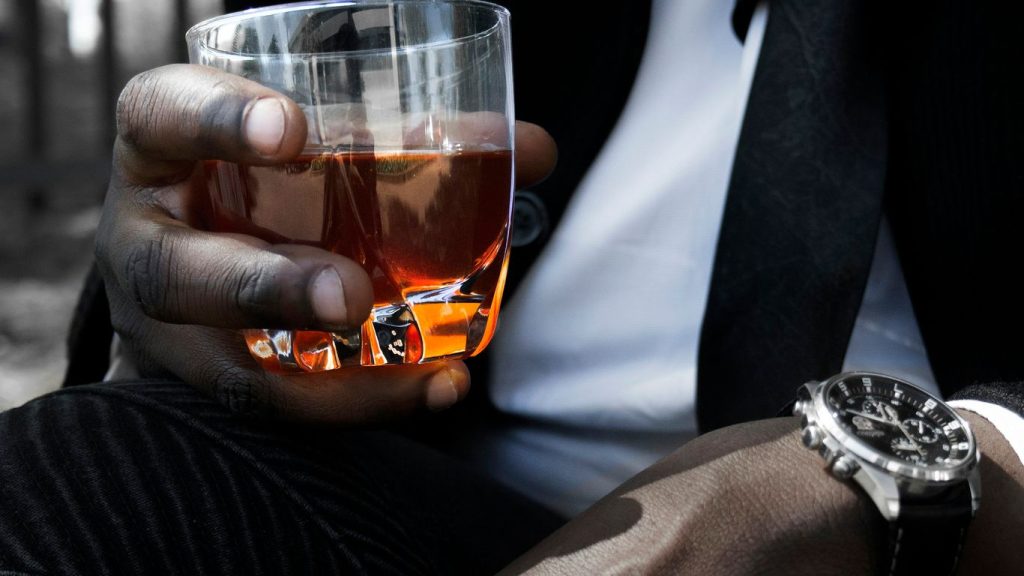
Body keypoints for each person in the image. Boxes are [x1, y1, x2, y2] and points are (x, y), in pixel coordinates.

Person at [2, 0, 1023, 574]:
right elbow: (227, 237)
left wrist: (849, 495)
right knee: (84, 470)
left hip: (947, 542)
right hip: (465, 523)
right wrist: (189, 319)